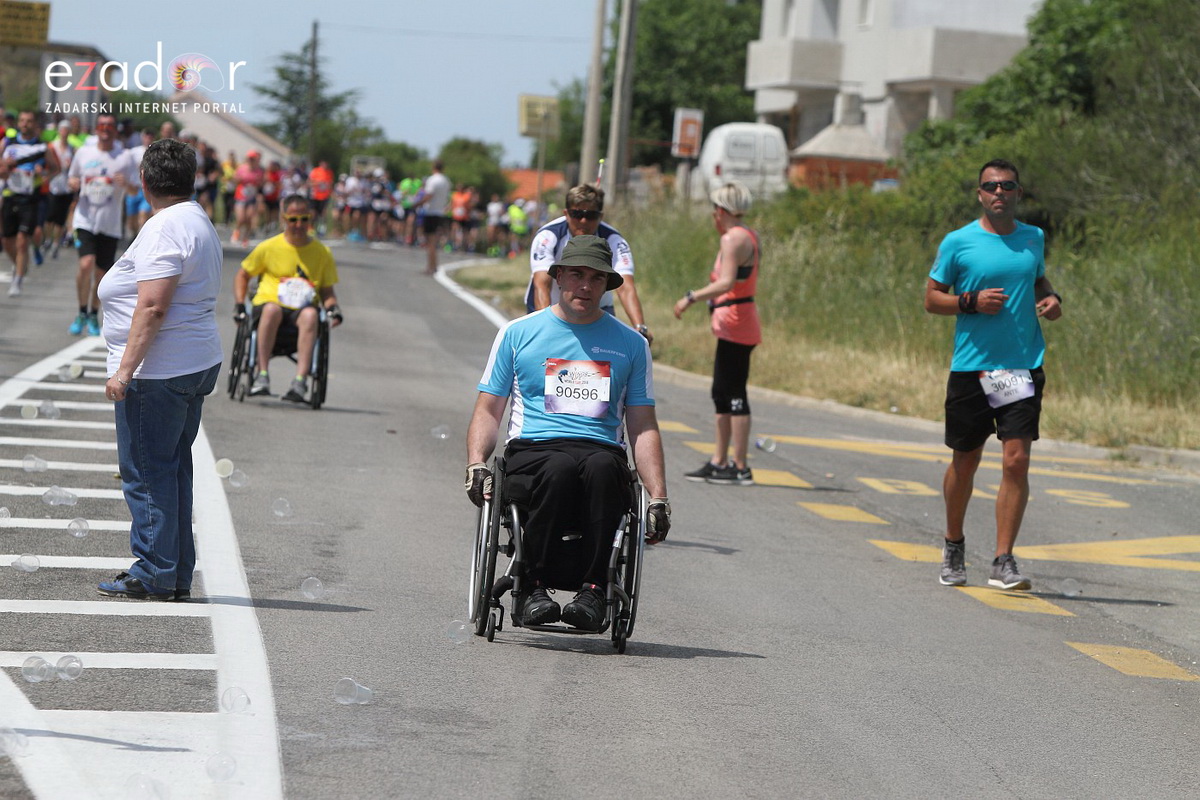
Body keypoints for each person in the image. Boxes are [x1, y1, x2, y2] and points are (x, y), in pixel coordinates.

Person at [465, 235, 670, 631]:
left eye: (596, 278)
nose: (585, 286)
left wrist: (658, 497)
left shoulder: (630, 344)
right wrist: (476, 463)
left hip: (600, 449)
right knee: (558, 469)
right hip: (535, 448)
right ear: (558, 276)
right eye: (576, 274)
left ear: (607, 285)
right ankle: (531, 587)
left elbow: (643, 425)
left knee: (600, 471)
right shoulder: (517, 333)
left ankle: (594, 591)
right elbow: (489, 409)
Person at [924, 159, 1063, 591]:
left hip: (1019, 365)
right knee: (965, 461)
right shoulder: (958, 242)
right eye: (990, 186)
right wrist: (970, 302)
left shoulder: (1033, 238)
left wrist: (1052, 298)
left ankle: (1003, 560)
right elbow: (931, 299)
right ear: (980, 194)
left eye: (1007, 186)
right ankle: (953, 543)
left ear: (1018, 192)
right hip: (972, 367)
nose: (999, 193)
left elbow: (1037, 279)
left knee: (1016, 461)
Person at [95, 138, 224, 601]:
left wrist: (124, 372)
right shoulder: (196, 220)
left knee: (147, 473)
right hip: (191, 363)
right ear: (191, 180)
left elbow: (152, 306)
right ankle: (174, 573)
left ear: (145, 181)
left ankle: (153, 571)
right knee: (171, 471)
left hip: (160, 371)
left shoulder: (165, 227)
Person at [673, 182, 761, 486]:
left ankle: (739, 465)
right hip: (737, 320)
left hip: (737, 321)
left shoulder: (732, 239)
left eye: (715, 209)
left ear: (721, 211)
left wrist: (691, 296)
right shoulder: (747, 235)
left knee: (733, 393)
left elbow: (725, 283)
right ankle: (720, 460)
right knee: (722, 392)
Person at [234, 194, 344, 403]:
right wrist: (240, 303)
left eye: (304, 219)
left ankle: (300, 381)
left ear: (311, 219)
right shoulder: (269, 247)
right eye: (293, 220)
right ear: (284, 219)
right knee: (272, 310)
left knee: (312, 315)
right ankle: (262, 375)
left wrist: (333, 309)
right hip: (270, 303)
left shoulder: (322, 252)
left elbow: (327, 291)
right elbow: (243, 275)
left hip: (301, 310)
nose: (299, 225)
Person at [526, 184, 652, 343]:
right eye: (577, 214)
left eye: (591, 215)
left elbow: (626, 287)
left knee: (599, 361)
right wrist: (546, 326)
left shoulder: (615, 240)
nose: (583, 220)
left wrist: (640, 327)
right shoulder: (547, 236)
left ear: (601, 216)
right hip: (551, 306)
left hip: (596, 307)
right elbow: (542, 284)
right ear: (566, 213)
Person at [67, 113, 138, 335]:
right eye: (101, 125)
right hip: (85, 219)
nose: (105, 129)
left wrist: (125, 184)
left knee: (101, 274)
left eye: (109, 125)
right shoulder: (84, 152)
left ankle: (93, 314)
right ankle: (80, 311)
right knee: (85, 264)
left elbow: (136, 189)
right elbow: (71, 178)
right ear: (96, 129)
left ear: (115, 130)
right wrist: (73, 183)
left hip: (110, 224)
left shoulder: (125, 157)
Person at [1, 110, 60, 297]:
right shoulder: (8, 143)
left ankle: (17, 279)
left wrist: (44, 177)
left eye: (29, 121)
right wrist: (5, 166)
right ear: (18, 123)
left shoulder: (43, 147)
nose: (25, 124)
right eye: (22, 120)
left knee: (21, 240)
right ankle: (20, 265)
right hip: (10, 195)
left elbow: (56, 168)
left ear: (35, 124)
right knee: (7, 241)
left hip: (30, 197)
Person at [416, 159, 451, 274]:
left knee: (430, 241)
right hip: (440, 212)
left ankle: (431, 266)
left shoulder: (432, 180)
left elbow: (429, 195)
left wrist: (417, 203)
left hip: (431, 212)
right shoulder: (446, 181)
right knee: (434, 240)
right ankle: (434, 264)